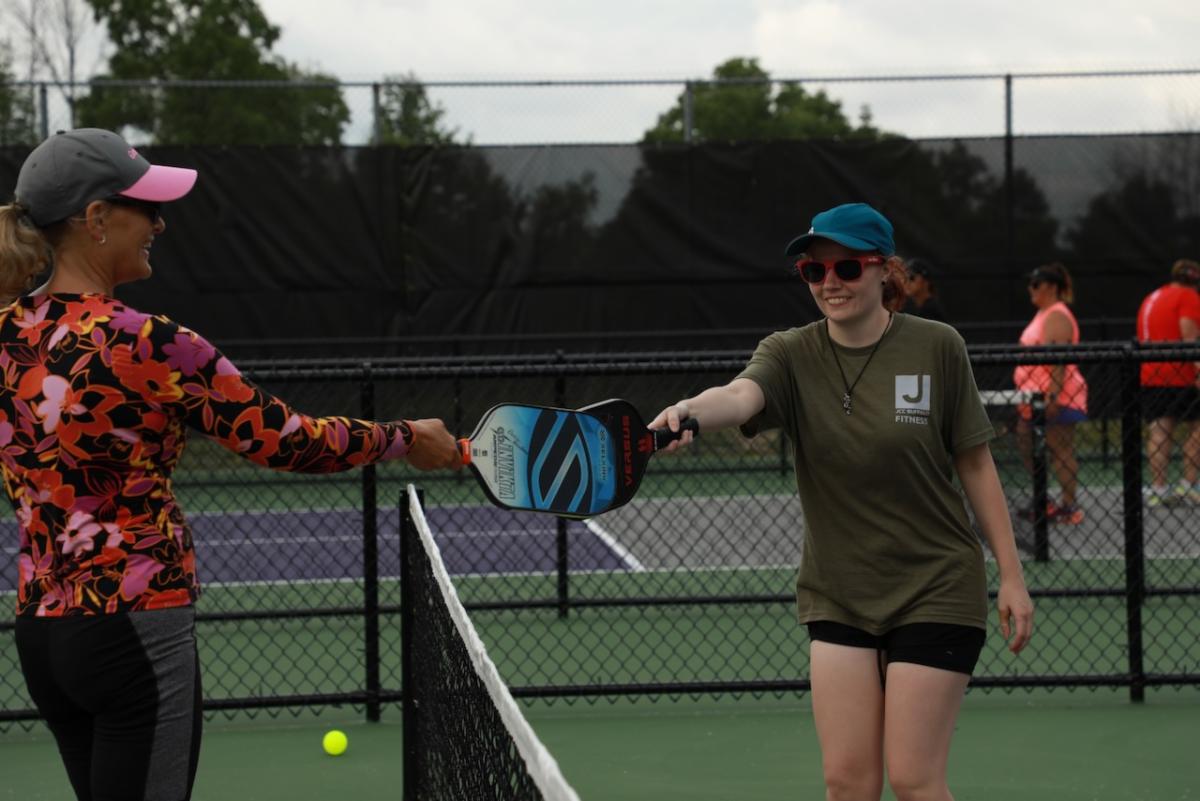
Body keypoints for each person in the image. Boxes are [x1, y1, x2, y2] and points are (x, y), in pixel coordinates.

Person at [0, 128, 461, 801]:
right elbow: (288, 440)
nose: (160, 223)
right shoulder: (151, 343)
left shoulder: (6, 335)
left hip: (42, 636)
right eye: (145, 207)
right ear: (95, 218)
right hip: (134, 627)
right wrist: (405, 436)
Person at [650, 202, 1033, 801]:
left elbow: (976, 463)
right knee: (847, 784)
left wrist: (1011, 575)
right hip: (839, 593)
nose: (830, 282)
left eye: (847, 267)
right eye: (815, 270)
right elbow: (741, 395)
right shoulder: (789, 353)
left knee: (914, 779)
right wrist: (689, 412)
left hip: (936, 586)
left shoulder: (937, 346)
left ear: (884, 270)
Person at [1013, 262, 1088, 525]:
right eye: (1030, 284)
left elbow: (1058, 361)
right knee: (1026, 440)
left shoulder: (1057, 315)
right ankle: (1042, 498)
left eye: (1036, 284)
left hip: (1057, 396)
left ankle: (1069, 506)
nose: (1031, 289)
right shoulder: (1042, 314)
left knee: (1060, 449)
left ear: (1052, 287)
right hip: (1032, 398)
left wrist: (1053, 396)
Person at [1136, 258, 1200, 506]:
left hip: (1151, 372)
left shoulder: (1153, 297)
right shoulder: (1188, 297)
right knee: (1197, 428)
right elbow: (1188, 337)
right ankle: (1190, 485)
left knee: (1159, 430)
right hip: (1180, 374)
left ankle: (1159, 488)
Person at [901, 257, 946, 322]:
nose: (907, 282)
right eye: (905, 278)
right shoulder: (924, 308)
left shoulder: (930, 311)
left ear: (926, 281)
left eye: (911, 277)